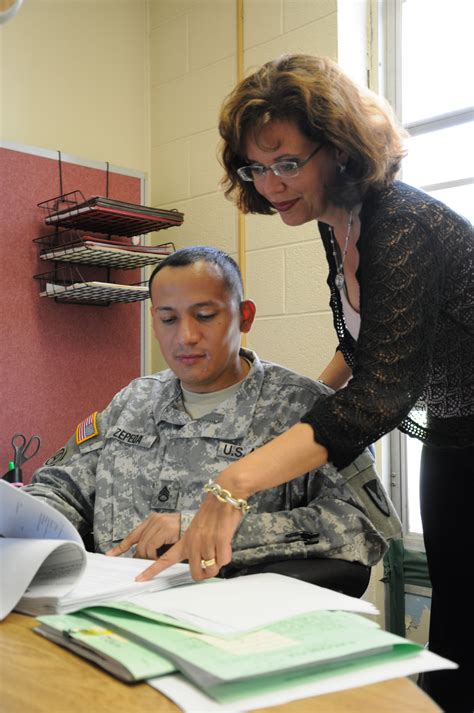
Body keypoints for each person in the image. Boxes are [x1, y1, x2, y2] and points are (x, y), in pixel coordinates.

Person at [140, 56, 474, 712]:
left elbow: (380, 392)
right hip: (457, 428)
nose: (269, 184)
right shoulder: (336, 220)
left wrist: (235, 481)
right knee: (458, 620)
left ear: (342, 148)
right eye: (254, 167)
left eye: (286, 162)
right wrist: (296, 401)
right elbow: (368, 345)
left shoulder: (399, 226)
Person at [24, 246, 397, 583]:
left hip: (228, 617)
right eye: (168, 320)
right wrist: (25, 521)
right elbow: (59, 487)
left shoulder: (305, 409)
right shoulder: (133, 400)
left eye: (204, 316)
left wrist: (209, 531)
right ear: (154, 322)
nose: (185, 336)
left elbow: (362, 526)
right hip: (103, 603)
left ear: (244, 317)